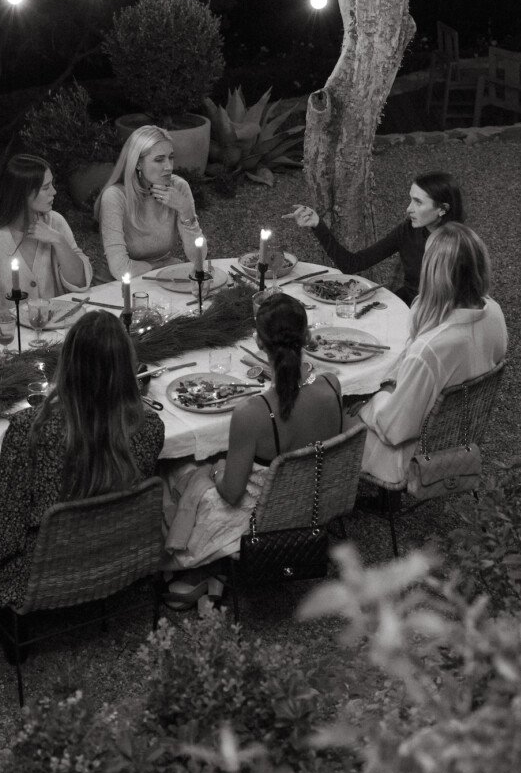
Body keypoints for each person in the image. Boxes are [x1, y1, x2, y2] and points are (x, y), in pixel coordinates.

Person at [164, 293, 351, 606]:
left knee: (176, 469)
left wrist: (216, 470)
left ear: (259, 343)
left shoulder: (253, 413)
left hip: (259, 521)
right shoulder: (332, 384)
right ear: (307, 336)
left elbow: (232, 493)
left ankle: (196, 569)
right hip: (314, 501)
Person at [0, 311, 164, 612]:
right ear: (128, 367)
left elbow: (1, 542)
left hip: (42, 576)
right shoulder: (149, 427)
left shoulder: (29, 430)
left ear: (68, 364)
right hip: (115, 559)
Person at [359, 223, 506, 487]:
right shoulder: (493, 313)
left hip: (408, 457)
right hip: (458, 436)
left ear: (434, 272)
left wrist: (368, 400)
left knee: (336, 406)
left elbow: (393, 430)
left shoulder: (430, 349)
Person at [283, 170, 464, 305]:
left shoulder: (460, 246)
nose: (408, 209)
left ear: (442, 209)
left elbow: (463, 299)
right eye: (411, 199)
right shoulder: (408, 230)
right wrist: (317, 225)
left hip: (440, 315)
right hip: (406, 303)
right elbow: (352, 263)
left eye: (418, 202)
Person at [0, 154, 91, 317]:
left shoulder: (56, 222)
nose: (54, 192)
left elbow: (80, 282)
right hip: (13, 335)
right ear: (23, 193)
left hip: (61, 328)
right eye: (46, 187)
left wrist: (58, 240)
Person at [95, 125, 203, 280]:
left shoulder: (179, 187)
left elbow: (198, 257)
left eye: (171, 157)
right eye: (159, 160)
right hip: (117, 285)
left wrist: (185, 211)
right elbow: (120, 269)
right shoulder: (115, 197)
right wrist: (162, 265)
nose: (169, 167)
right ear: (138, 163)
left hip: (159, 280)